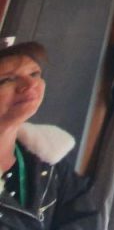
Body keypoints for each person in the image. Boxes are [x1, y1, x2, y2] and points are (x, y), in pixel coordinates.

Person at [0, 42, 99, 229]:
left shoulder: (49, 161)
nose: (30, 84)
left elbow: (84, 220)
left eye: (34, 74)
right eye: (6, 80)